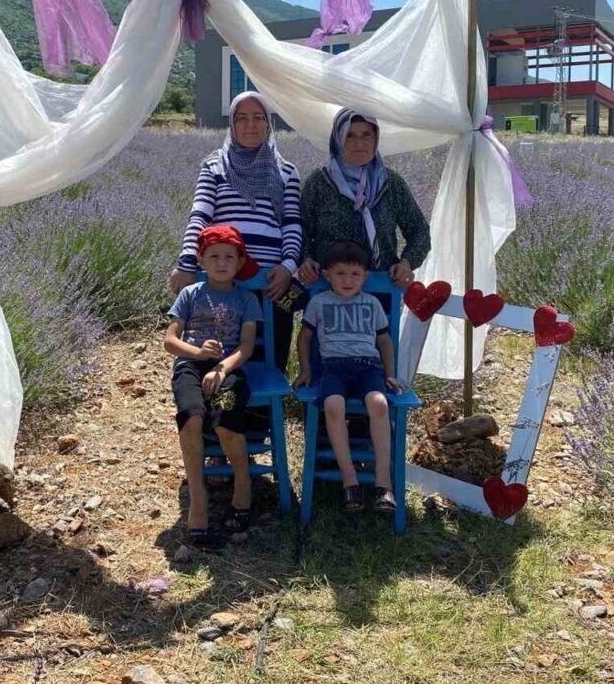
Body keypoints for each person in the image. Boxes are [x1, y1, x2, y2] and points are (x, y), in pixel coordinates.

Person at [171, 91, 302, 369]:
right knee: (220, 352)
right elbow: (200, 216)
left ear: (268, 123)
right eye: (241, 118)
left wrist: (288, 266)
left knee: (272, 351)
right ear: (232, 124)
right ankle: (218, 395)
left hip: (271, 281)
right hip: (224, 279)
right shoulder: (214, 166)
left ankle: (269, 396)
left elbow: (291, 223)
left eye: (258, 117)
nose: (250, 125)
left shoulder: (287, 171)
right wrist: (186, 263)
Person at [164, 225, 262, 547]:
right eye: (214, 256)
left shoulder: (246, 298)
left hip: (229, 368)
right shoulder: (190, 293)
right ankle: (198, 497)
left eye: (229, 257)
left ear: (240, 261)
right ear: (201, 261)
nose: (221, 263)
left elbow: (246, 347)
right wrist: (198, 353)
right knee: (191, 418)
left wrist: (220, 368)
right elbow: (170, 341)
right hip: (191, 365)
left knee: (226, 422)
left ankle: (243, 485)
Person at [293, 241, 401, 514]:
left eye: (355, 274)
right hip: (333, 368)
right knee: (333, 405)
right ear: (327, 274)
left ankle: (383, 483)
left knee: (379, 403)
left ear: (365, 276)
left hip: (368, 367)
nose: (348, 280)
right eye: (340, 273)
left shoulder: (372, 303)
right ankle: (349, 478)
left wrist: (390, 374)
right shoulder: (319, 302)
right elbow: (304, 337)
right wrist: (306, 369)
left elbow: (384, 341)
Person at [298, 108, 430, 289]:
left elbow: (420, 231)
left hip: (382, 289)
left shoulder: (390, 183)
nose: (359, 143)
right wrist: (306, 259)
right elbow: (301, 228)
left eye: (366, 135)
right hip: (327, 291)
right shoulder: (320, 182)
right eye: (350, 136)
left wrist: (406, 263)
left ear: (376, 139)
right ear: (338, 139)